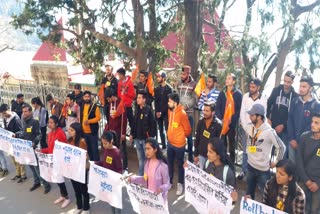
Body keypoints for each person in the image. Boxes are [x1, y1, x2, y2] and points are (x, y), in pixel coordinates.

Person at [243, 103, 286, 199]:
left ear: (259, 117)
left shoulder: (270, 132)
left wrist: (276, 161)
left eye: (252, 115)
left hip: (263, 171)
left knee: (266, 197)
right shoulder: (249, 127)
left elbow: (282, 147)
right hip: (250, 167)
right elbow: (250, 144)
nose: (249, 117)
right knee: (249, 195)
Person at [238, 78, 267, 180]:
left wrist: (259, 130)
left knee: (253, 150)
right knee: (245, 150)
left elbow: (264, 115)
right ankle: (243, 171)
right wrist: (246, 128)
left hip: (257, 130)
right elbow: (242, 113)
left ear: (258, 87)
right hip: (246, 128)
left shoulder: (263, 98)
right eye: (250, 86)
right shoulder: (246, 96)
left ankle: (252, 173)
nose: (251, 89)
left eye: (253, 87)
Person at [39, 116, 71, 208]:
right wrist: (42, 150)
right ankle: (62, 195)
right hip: (52, 160)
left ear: (56, 124)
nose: (49, 124)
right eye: (49, 122)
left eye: (51, 122)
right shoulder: (49, 133)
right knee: (57, 179)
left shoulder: (60, 133)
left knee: (60, 179)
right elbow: (50, 148)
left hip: (59, 160)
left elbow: (65, 147)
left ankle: (67, 197)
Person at [287, 75, 320, 162]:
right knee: (291, 168)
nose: (301, 89)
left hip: (306, 144)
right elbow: (290, 120)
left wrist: (300, 141)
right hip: (292, 142)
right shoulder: (295, 101)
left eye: (304, 86)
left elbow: (313, 126)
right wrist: (292, 139)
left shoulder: (316, 105)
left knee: (302, 168)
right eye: (300, 86)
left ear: (311, 88)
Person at [266, 71, 298, 159]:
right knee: (268, 152)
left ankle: (279, 172)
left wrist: (283, 125)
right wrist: (268, 118)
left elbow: (293, 115)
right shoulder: (276, 90)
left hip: (285, 129)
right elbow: (268, 105)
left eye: (289, 82)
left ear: (292, 82)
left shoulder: (295, 96)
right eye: (285, 81)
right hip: (272, 126)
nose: (286, 84)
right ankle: (266, 170)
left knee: (282, 153)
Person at [21, 104, 51, 193]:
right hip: (27, 149)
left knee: (38, 168)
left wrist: (35, 142)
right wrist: (18, 135)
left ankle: (46, 184)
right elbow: (24, 133)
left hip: (34, 148)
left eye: (26, 111)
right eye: (23, 111)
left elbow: (39, 135)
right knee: (31, 166)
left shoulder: (35, 122)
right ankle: (37, 182)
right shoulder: (24, 121)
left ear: (30, 112)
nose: (24, 113)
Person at [167, 93, 191, 195]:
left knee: (180, 165)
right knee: (170, 163)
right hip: (170, 144)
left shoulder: (182, 113)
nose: (168, 103)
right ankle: (169, 182)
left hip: (179, 145)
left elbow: (188, 130)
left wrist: (180, 137)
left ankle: (180, 184)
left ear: (175, 103)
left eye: (170, 102)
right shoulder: (169, 111)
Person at [215, 73, 242, 163]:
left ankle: (231, 163)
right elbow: (217, 107)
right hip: (222, 123)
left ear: (233, 81)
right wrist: (221, 119)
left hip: (231, 124)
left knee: (232, 145)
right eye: (227, 78)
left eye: (229, 79)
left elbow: (238, 110)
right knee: (222, 143)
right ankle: (223, 161)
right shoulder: (222, 93)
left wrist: (231, 120)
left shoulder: (238, 94)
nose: (227, 80)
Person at [296, 112, 320, 214]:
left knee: (314, 210)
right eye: (312, 122)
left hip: (318, 183)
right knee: (300, 209)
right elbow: (299, 160)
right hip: (303, 179)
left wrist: (318, 183)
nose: (312, 124)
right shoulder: (304, 137)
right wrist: (307, 180)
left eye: (316, 123)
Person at [129, 91, 157, 176]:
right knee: (140, 158)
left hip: (145, 139)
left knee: (147, 159)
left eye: (139, 98)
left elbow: (153, 124)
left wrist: (150, 138)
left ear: (144, 99)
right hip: (137, 138)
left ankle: (146, 175)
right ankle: (141, 175)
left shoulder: (148, 110)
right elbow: (134, 123)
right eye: (137, 98)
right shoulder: (137, 109)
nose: (137, 99)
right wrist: (131, 134)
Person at [204, 138, 238, 204]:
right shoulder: (207, 163)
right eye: (207, 151)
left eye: (210, 152)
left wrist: (234, 199)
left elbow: (231, 202)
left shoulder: (228, 173)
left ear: (218, 155)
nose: (207, 154)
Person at [96, 131, 122, 214]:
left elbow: (120, 168)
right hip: (107, 180)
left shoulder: (116, 153)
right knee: (110, 200)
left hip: (114, 182)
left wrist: (116, 179)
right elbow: (104, 162)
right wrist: (95, 164)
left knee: (116, 201)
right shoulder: (106, 150)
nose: (104, 145)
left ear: (111, 141)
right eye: (103, 143)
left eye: (105, 143)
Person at [67, 122, 90, 214]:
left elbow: (85, 156)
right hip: (72, 168)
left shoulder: (82, 141)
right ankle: (79, 205)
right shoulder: (69, 140)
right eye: (69, 129)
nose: (69, 131)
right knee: (76, 188)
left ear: (77, 131)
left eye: (72, 130)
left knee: (83, 188)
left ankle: (86, 208)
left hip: (81, 169)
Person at [176, 65, 196, 162]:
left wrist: (186, 106)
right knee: (180, 136)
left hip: (189, 115)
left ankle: (191, 158)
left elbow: (194, 99)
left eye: (184, 74)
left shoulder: (194, 84)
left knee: (189, 137)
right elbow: (176, 95)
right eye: (181, 74)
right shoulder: (179, 83)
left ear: (188, 74)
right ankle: (181, 157)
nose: (182, 76)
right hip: (180, 114)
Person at [194, 102, 222, 170]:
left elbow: (219, 144)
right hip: (201, 156)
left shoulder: (218, 125)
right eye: (204, 110)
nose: (204, 112)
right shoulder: (200, 122)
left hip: (212, 158)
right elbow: (197, 139)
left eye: (207, 111)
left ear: (213, 112)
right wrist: (195, 154)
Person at [104, 94, 128, 172]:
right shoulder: (110, 103)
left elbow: (124, 120)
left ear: (112, 96)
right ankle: (112, 165)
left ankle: (124, 167)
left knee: (122, 149)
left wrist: (123, 132)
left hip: (119, 131)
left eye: (108, 99)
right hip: (111, 130)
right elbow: (109, 118)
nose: (108, 101)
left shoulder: (121, 104)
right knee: (112, 149)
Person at [0, 104, 23, 178]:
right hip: (10, 142)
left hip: (16, 142)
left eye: (5, 113)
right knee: (14, 159)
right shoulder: (5, 119)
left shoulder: (16, 119)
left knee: (19, 159)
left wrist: (15, 134)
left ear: (9, 110)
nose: (4, 115)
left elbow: (21, 131)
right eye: (3, 114)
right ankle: (18, 174)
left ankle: (23, 175)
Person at [81, 90, 101, 161]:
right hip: (85, 132)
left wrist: (89, 121)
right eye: (85, 97)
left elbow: (98, 118)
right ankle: (92, 164)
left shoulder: (94, 107)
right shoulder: (82, 106)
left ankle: (97, 165)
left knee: (94, 150)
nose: (87, 98)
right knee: (89, 150)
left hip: (92, 132)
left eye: (88, 97)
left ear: (90, 98)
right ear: (83, 97)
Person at [154, 70, 173, 149]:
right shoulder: (157, 88)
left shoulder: (169, 89)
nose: (158, 78)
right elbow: (156, 101)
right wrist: (157, 111)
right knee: (160, 130)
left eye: (159, 77)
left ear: (164, 78)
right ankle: (163, 146)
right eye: (157, 77)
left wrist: (162, 112)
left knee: (167, 130)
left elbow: (169, 102)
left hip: (166, 113)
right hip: (159, 112)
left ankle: (169, 146)